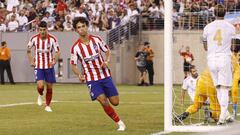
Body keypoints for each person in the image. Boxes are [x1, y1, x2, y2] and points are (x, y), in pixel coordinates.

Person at [70, 17, 126, 131]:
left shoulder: (97, 39)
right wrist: (79, 75)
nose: (81, 29)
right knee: (103, 100)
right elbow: (73, 65)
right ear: (76, 30)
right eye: (79, 27)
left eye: (83, 26)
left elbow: (107, 51)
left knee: (115, 102)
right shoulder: (75, 48)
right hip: (91, 79)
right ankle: (120, 123)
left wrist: (106, 61)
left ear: (87, 26)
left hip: (105, 75)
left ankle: (107, 94)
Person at [202, 4, 236, 125]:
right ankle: (222, 117)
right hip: (224, 58)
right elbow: (233, 43)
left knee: (218, 87)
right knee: (225, 88)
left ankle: (226, 115)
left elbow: (205, 46)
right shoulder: (231, 27)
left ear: (213, 13)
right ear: (225, 13)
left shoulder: (207, 27)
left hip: (211, 59)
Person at [27, 21, 60, 112]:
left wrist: (54, 61)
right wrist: (31, 61)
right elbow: (28, 49)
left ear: (46, 29)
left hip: (49, 66)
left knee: (49, 87)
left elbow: (58, 51)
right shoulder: (34, 38)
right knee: (40, 86)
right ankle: (40, 94)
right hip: (38, 65)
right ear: (38, 29)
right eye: (40, 30)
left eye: (44, 30)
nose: (42, 32)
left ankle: (48, 105)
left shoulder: (52, 39)